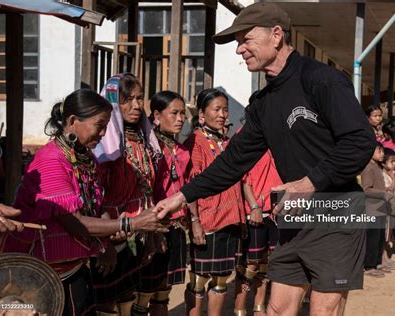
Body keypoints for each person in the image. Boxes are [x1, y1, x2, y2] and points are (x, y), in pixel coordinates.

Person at [151, 3, 376, 315]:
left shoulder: (321, 79)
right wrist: (182, 195)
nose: (239, 49)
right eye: (238, 42)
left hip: (336, 211)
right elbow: (233, 162)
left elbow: (360, 141)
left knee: (324, 310)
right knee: (277, 309)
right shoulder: (262, 103)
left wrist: (309, 183)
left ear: (276, 35)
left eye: (246, 39)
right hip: (294, 218)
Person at [0, 89, 168, 315]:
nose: (103, 133)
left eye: (107, 125)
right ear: (72, 121)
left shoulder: (85, 158)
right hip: (41, 276)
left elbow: (95, 206)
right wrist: (131, 224)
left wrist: (106, 240)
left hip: (74, 268)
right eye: (99, 125)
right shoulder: (51, 161)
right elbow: (76, 223)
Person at [91, 73, 163, 315]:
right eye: (127, 99)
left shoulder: (142, 139)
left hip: (134, 234)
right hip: (108, 238)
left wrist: (149, 234)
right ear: (112, 101)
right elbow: (93, 202)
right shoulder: (100, 147)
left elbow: (146, 189)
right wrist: (104, 247)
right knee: (105, 304)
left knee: (127, 298)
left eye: (139, 98)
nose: (136, 106)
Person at [183, 88, 245, 316]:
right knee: (199, 280)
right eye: (216, 109)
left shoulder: (227, 143)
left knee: (221, 280)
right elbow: (190, 185)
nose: (222, 115)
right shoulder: (196, 142)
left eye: (225, 110)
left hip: (230, 220)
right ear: (201, 115)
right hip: (208, 221)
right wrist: (195, 221)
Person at [139, 91, 189, 316]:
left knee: (163, 291)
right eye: (175, 113)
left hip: (175, 226)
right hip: (153, 225)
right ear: (157, 115)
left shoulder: (182, 148)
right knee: (143, 294)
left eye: (183, 114)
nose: (180, 119)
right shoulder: (149, 148)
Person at [234, 148, 282, 315]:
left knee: (266, 262)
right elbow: (244, 180)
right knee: (250, 264)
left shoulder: (276, 139)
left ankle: (259, 307)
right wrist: (254, 206)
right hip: (255, 212)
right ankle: (239, 309)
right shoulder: (250, 137)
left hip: (274, 212)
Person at [361, 143, 390, 278]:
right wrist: (383, 193)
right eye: (379, 151)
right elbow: (366, 189)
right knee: (372, 238)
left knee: (379, 237)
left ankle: (377, 262)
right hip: (372, 208)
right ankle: (369, 265)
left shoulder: (377, 167)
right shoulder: (367, 167)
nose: (382, 154)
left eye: (383, 151)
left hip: (379, 207)